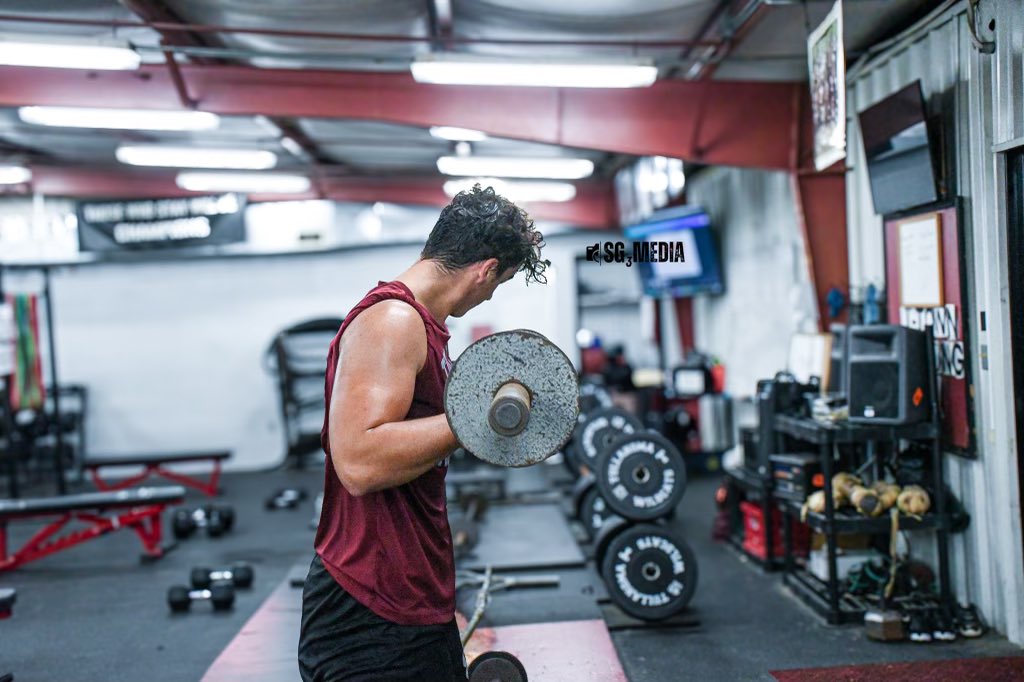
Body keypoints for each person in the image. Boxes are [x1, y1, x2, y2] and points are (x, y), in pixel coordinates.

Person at [298, 185, 548, 681]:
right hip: (368, 602)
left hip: (412, 585)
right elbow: (359, 463)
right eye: (497, 285)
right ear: (485, 269)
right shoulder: (393, 321)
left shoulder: (425, 328)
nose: (489, 297)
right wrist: (476, 417)